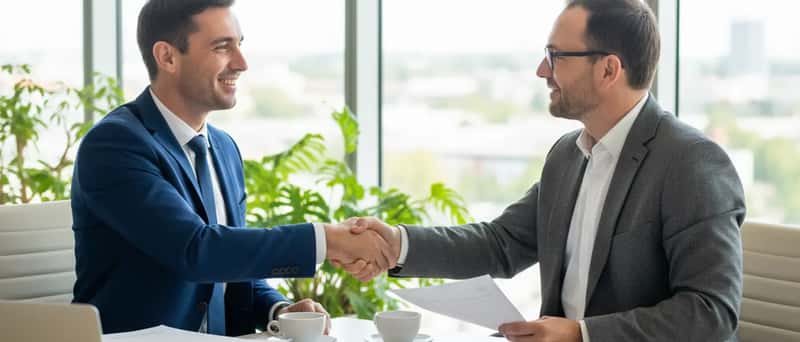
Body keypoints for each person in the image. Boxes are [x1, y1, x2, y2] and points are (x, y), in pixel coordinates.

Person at [341, 1, 745, 341]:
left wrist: (581, 334)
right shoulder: (568, 155)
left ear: (608, 70)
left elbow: (711, 312)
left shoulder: (691, 162)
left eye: (556, 56)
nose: (541, 70)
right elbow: (502, 243)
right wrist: (397, 244)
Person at [70, 0, 393, 337]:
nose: (241, 63)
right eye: (222, 47)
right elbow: (196, 251)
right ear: (167, 57)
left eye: (239, 45)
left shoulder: (223, 148)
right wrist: (327, 239)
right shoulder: (115, 145)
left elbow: (230, 266)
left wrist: (279, 309)